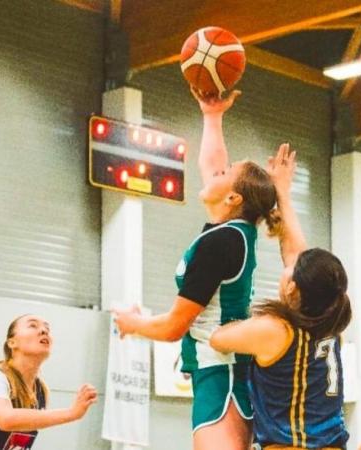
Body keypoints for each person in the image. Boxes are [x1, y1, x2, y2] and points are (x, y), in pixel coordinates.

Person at [113, 89, 280, 450]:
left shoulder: (219, 243)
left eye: (227, 174)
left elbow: (174, 327)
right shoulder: (232, 233)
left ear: (233, 198)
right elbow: (212, 165)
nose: (216, 172)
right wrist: (212, 115)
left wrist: (132, 324)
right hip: (221, 369)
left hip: (223, 372)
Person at [210, 145, 352, 450]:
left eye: (293, 271)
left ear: (293, 288)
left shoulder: (275, 330)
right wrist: (283, 192)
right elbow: (295, 257)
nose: (288, 266)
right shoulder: (330, 323)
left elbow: (218, 339)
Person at [0, 314, 97, 450]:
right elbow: (6, 419)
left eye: (47, 328)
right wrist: (72, 413)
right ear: (12, 343)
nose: (44, 331)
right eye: (33, 325)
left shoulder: (39, 390)